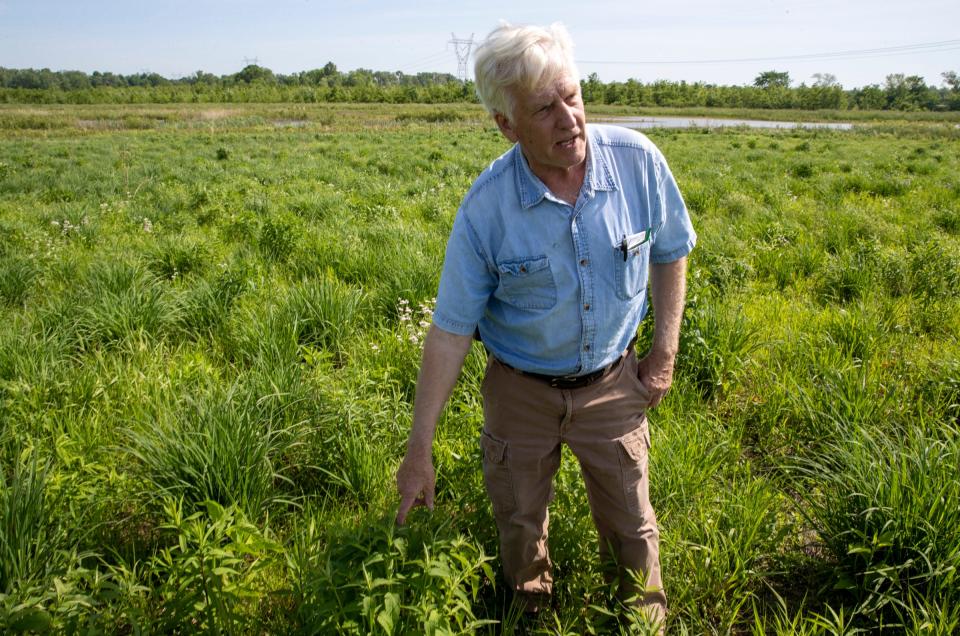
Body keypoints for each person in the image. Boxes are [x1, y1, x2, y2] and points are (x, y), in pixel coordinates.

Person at [395, 22, 696, 626]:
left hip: (613, 383)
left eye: (573, 95)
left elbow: (671, 248)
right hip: (520, 393)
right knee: (519, 519)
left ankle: (643, 619)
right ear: (506, 125)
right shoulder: (486, 209)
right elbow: (452, 329)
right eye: (544, 108)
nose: (569, 120)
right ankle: (530, 614)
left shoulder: (638, 164)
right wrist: (419, 448)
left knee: (632, 521)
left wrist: (663, 352)